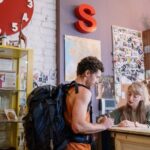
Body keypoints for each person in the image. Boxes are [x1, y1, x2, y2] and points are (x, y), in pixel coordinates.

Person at [64, 56, 113, 150]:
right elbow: (78, 126)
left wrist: (95, 126)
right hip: (78, 147)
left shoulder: (69, 89)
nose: (97, 81)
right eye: (97, 77)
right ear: (87, 73)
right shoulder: (83, 92)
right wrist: (103, 125)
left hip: (66, 145)